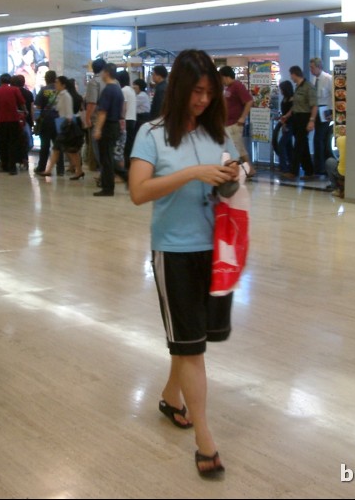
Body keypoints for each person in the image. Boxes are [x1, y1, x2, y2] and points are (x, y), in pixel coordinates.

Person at [129, 48, 240, 479]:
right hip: (173, 251)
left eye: (210, 92)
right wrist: (193, 175)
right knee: (191, 346)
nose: (203, 100)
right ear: (178, 90)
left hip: (214, 251)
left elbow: (233, 172)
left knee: (193, 339)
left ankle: (171, 397)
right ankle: (205, 441)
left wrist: (234, 174)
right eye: (196, 91)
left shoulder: (217, 135)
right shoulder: (152, 134)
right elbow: (139, 191)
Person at [37, 76, 84, 180]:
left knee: (68, 150)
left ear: (63, 85)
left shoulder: (65, 96)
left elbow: (68, 113)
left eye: (57, 83)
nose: (55, 85)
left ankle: (77, 170)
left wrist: (66, 125)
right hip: (62, 124)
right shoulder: (60, 95)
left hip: (65, 125)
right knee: (58, 149)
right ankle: (49, 170)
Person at [93, 64, 125, 196]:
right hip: (115, 125)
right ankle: (124, 176)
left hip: (107, 126)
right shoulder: (118, 89)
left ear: (106, 73)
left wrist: (98, 129)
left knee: (106, 158)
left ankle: (108, 188)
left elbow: (102, 112)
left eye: (102, 72)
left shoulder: (108, 90)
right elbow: (122, 109)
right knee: (109, 157)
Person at [219, 66, 255, 178]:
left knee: (237, 147)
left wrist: (242, 117)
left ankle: (249, 169)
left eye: (221, 78)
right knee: (231, 147)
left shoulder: (237, 86)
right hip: (227, 123)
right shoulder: (228, 88)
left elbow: (249, 101)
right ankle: (238, 169)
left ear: (225, 76)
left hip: (234, 123)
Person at [0, 73, 27, 175]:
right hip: (13, 120)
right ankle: (12, 167)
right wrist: (25, 111)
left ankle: (4, 165)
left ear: (0, 81)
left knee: (2, 143)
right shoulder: (15, 90)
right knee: (13, 143)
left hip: (1, 121)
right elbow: (22, 103)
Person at [285, 65, 317, 180]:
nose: (291, 77)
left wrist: (311, 121)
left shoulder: (309, 87)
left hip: (305, 118)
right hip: (296, 118)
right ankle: (309, 171)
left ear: (294, 74)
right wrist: (287, 115)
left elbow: (314, 106)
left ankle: (294, 171)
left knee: (298, 145)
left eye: (291, 75)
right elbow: (295, 106)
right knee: (303, 145)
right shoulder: (297, 87)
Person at [34, 70, 61, 175]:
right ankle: (60, 169)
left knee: (44, 145)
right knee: (58, 145)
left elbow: (38, 106)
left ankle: (41, 167)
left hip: (46, 120)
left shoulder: (43, 90)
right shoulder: (59, 90)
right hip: (58, 119)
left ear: (46, 78)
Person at [310, 57, 334, 175]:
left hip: (325, 111)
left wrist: (332, 112)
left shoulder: (328, 79)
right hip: (317, 110)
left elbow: (333, 95)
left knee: (319, 139)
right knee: (319, 139)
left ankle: (321, 166)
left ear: (319, 67)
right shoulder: (314, 79)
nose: (311, 70)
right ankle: (320, 165)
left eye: (312, 67)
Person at [84, 58, 107, 172]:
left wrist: (87, 118)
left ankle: (104, 174)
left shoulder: (94, 82)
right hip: (111, 119)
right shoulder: (113, 81)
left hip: (97, 119)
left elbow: (92, 103)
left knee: (97, 148)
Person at [117, 70, 138, 170]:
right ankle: (130, 166)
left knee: (124, 145)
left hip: (126, 120)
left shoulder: (123, 90)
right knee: (129, 144)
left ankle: (125, 167)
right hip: (133, 119)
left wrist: (121, 119)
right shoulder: (131, 90)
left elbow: (123, 107)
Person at [275, 79, 295, 176]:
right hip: (286, 123)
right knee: (288, 146)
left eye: (282, 89)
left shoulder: (292, 99)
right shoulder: (285, 98)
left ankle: (284, 168)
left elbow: (290, 113)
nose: (281, 91)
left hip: (290, 124)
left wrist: (284, 120)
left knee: (282, 144)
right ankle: (291, 166)